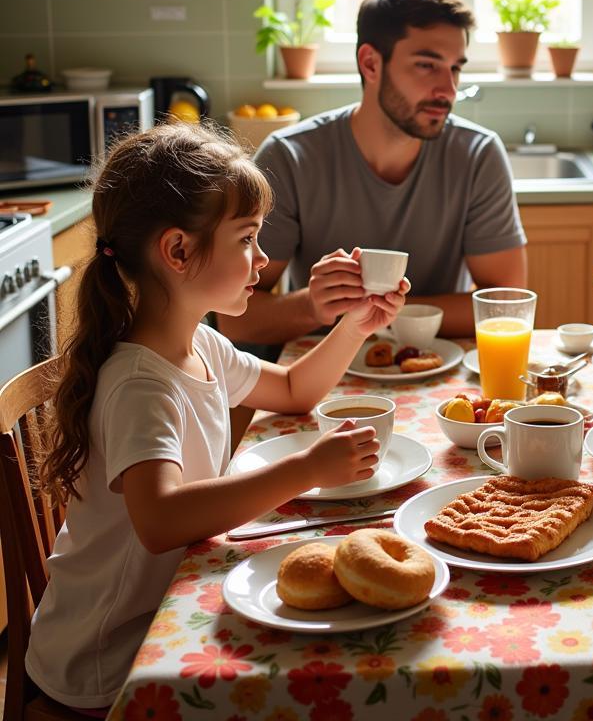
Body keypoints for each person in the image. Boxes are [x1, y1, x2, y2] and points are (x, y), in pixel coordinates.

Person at [29, 124, 409, 713]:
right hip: (108, 657)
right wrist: (304, 470)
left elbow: (292, 389)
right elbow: (159, 519)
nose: (262, 260)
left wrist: (354, 326)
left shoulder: (199, 345)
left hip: (171, 608)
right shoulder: (140, 383)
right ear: (179, 251)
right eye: (247, 239)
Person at [218, 0, 527, 346]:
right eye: (427, 65)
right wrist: (314, 307)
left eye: (455, 68)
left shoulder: (478, 155)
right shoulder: (289, 158)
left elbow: (506, 305)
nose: (448, 90)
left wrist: (374, 312)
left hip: (437, 369)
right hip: (317, 378)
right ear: (370, 63)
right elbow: (236, 320)